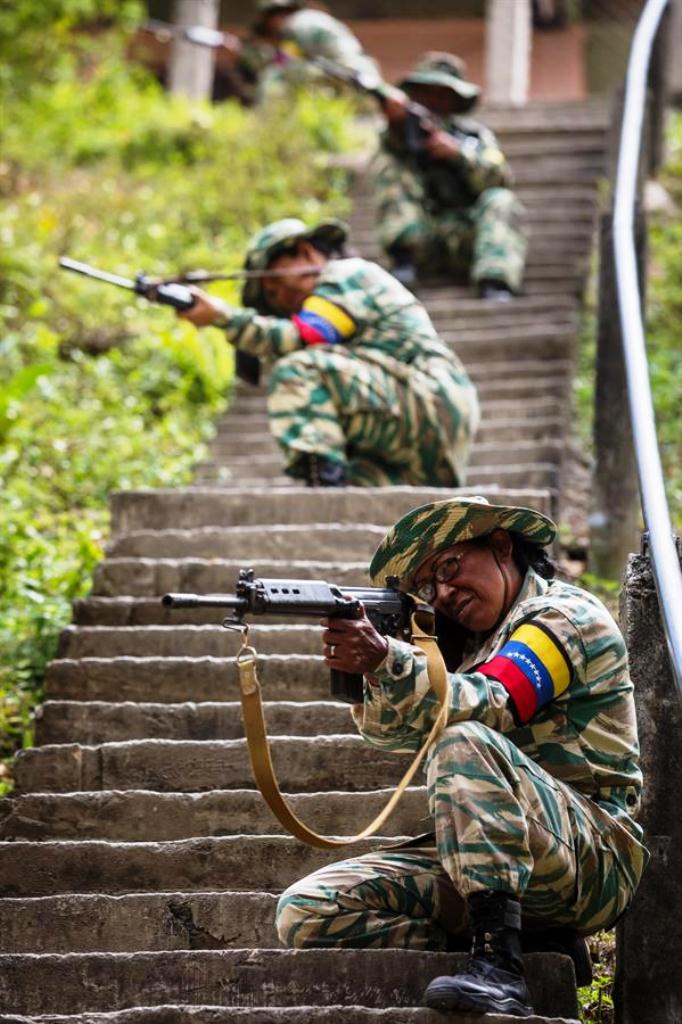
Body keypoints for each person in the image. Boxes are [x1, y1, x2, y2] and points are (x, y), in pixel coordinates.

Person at [276, 495, 648, 1017]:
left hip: (592, 860)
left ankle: (501, 967)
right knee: (306, 910)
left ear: (501, 546)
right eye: (429, 587)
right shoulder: (469, 650)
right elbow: (391, 738)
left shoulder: (565, 615)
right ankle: (522, 947)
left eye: (450, 568)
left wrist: (389, 659)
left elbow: (495, 700)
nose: (445, 593)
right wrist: (374, 670)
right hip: (495, 863)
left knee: (463, 739)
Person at [178, 217, 479, 488]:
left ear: (306, 253)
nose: (278, 299)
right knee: (355, 487)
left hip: (428, 400)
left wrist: (222, 317)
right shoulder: (337, 297)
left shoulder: (347, 273)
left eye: (275, 285)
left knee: (297, 370)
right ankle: (333, 491)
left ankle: (326, 494)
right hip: (422, 449)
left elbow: (305, 336)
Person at [372, 53, 527, 299]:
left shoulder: (476, 137)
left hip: (469, 238)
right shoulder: (401, 132)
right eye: (427, 92)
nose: (434, 100)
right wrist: (397, 124)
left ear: (455, 100)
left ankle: (494, 280)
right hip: (425, 236)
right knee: (391, 168)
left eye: (443, 94)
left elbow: (500, 179)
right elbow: (390, 146)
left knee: (501, 199)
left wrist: (458, 155)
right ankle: (404, 263)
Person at [243, 0, 381, 100]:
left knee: (271, 77)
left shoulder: (292, 26)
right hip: (365, 73)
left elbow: (283, 62)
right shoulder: (313, 18)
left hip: (345, 76)